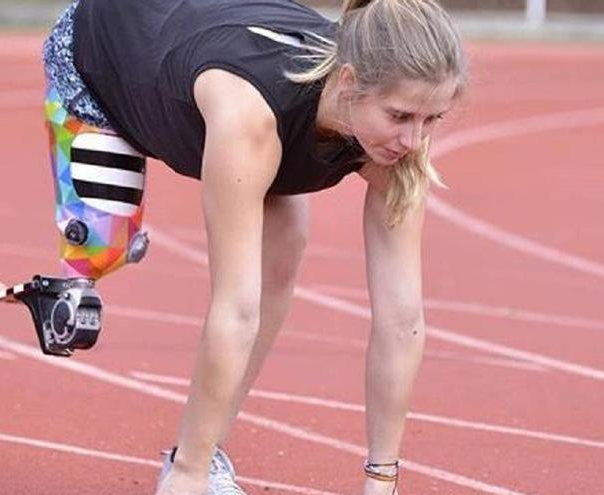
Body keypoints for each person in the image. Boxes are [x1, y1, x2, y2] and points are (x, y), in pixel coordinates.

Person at [42, 0, 467, 493]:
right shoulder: (251, 118)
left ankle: (202, 448)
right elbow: (236, 309)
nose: (415, 140)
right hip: (104, 57)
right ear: (350, 84)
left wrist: (382, 481)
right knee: (100, 251)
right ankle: (190, 465)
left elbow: (402, 319)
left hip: (219, 42)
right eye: (401, 117)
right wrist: (186, 481)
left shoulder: (398, 117)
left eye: (433, 119)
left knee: (284, 246)